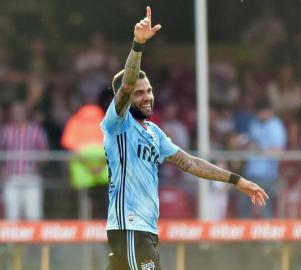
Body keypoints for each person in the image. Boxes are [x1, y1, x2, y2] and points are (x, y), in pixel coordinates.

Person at [101, 7, 269, 270]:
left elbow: (190, 163)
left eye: (150, 91)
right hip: (130, 227)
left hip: (142, 230)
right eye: (139, 93)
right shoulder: (118, 124)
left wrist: (236, 180)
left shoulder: (154, 133)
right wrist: (138, 45)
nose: (147, 96)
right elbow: (127, 83)